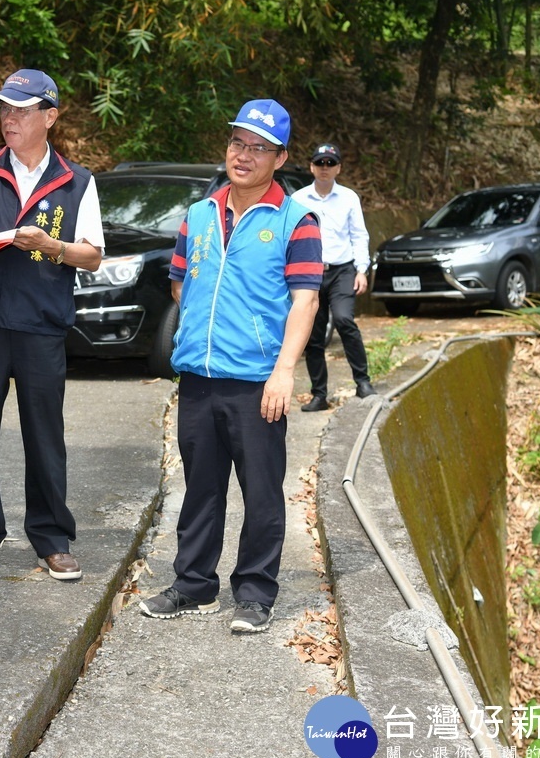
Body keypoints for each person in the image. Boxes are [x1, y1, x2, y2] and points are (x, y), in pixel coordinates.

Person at [139, 99, 322, 633]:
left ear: (280, 157)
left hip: (257, 382)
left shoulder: (296, 220)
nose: (244, 155)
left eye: (258, 147)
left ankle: (255, 593)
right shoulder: (197, 215)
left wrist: (284, 370)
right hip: (199, 376)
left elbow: (306, 301)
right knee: (200, 488)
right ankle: (194, 584)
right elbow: (180, 283)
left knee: (262, 492)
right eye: (238, 142)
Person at [0, 69, 104, 582]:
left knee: (44, 435)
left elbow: (92, 255)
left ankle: (51, 536)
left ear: (49, 117)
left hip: (41, 326)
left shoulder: (77, 181)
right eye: (3, 109)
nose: (9, 118)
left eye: (22, 109)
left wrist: (52, 247)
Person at [291, 142, 376, 412]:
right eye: (320, 163)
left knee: (343, 319)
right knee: (313, 334)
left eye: (330, 163)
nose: (324, 168)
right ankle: (319, 394)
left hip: (342, 269)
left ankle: (362, 382)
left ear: (338, 167)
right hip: (311, 272)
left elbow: (359, 235)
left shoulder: (349, 198)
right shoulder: (298, 200)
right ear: (311, 167)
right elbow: (290, 237)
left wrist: (362, 270)